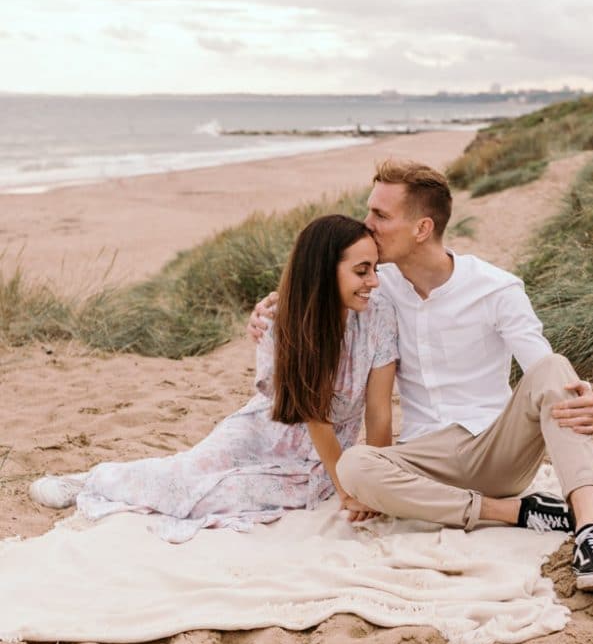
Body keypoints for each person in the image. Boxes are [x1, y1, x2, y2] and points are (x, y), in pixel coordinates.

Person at [249, 160, 593, 595]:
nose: (367, 225)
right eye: (369, 211)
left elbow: (541, 367)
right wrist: (269, 312)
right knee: (355, 465)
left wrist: (587, 397)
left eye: (380, 216)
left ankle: (592, 534)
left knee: (555, 367)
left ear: (422, 228)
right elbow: (317, 286)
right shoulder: (378, 284)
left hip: (495, 449)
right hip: (424, 460)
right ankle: (514, 513)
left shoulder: (496, 288)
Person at [29, 215, 397, 542]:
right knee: (186, 472)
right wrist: (347, 492)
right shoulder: (280, 321)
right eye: (362, 271)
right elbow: (312, 414)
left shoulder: (377, 317)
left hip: (317, 461)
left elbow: (379, 412)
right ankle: (90, 481)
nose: (374, 282)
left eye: (375, 269)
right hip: (261, 430)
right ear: (322, 270)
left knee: (211, 499)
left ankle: (97, 482)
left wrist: (370, 484)